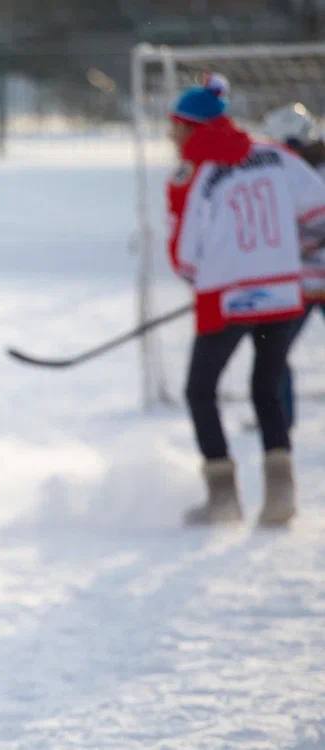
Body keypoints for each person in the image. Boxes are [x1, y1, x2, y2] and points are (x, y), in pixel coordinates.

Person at [167, 75, 325, 526]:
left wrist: (209, 277)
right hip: (279, 293)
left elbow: (184, 253)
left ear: (193, 128)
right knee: (266, 387)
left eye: (175, 127)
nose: (170, 136)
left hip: (229, 299)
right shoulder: (274, 154)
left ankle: (222, 501)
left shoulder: (195, 172)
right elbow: (318, 206)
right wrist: (284, 252)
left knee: (200, 390)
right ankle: (281, 497)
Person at [261, 103, 325, 428]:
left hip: (311, 280)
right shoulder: (278, 172)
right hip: (296, 284)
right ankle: (279, 420)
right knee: (274, 355)